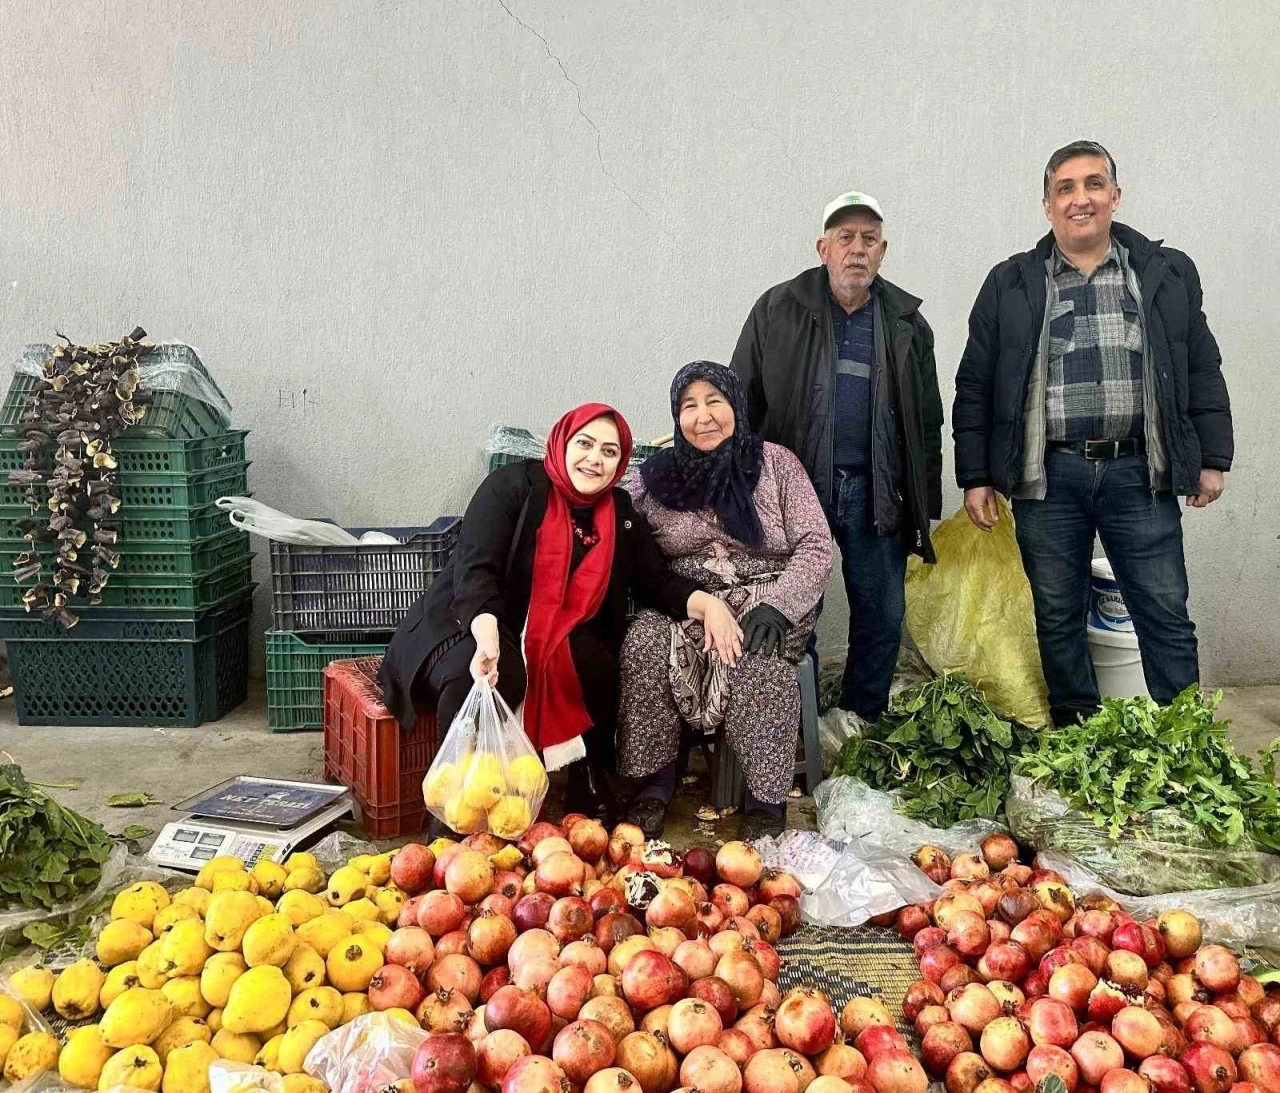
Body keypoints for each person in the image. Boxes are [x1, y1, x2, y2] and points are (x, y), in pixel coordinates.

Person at [952, 140, 1233, 726]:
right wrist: (975, 475)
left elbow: (1200, 365)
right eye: (1066, 189)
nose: (1081, 199)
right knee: (1057, 612)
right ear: (1048, 207)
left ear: (1115, 195)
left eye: (1093, 184)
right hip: (1049, 476)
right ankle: (1078, 734)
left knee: (1163, 609)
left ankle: (1184, 740)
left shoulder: (1165, 272)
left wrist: (1212, 457)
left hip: (1140, 471)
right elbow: (975, 383)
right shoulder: (1012, 282)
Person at [379, 403, 742, 829]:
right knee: (484, 676)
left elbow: (658, 583)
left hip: (555, 634)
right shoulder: (512, 487)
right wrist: (488, 633)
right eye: (584, 444)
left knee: (595, 662)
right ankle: (456, 823)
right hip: (470, 620)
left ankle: (583, 796)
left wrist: (709, 604)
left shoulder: (620, 515)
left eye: (609, 451)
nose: (594, 459)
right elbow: (476, 570)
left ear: (621, 461)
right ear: (562, 442)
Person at [731, 191, 943, 723]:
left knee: (882, 615)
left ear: (883, 250)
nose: (857, 249)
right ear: (822, 247)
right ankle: (785, 728)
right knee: (793, 608)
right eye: (845, 238)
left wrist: (925, 504)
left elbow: (928, 421)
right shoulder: (778, 308)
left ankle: (856, 728)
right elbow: (740, 400)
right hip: (795, 491)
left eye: (868, 239)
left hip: (878, 489)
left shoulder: (906, 324)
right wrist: (742, 489)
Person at [616, 362, 833, 839]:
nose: (704, 416)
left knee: (760, 655)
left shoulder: (776, 463)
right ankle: (654, 782)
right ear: (677, 418)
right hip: (690, 598)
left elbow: (816, 544)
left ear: (736, 405)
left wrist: (779, 605)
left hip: (770, 594)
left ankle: (764, 800)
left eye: (715, 400)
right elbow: (612, 514)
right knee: (643, 642)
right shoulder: (655, 478)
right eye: (689, 405)